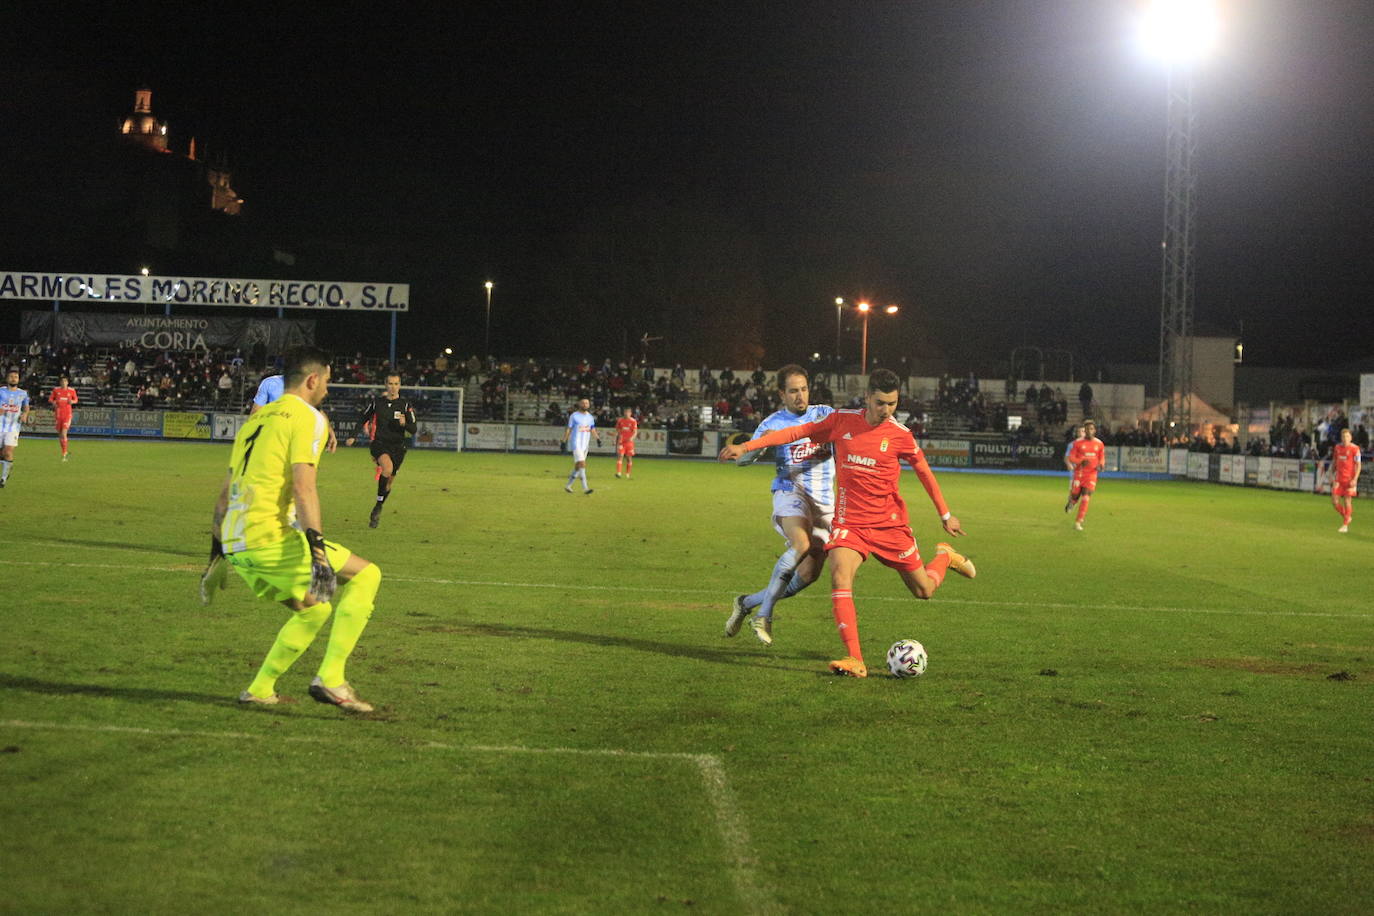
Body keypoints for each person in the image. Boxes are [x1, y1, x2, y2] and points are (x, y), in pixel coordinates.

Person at [719, 369, 975, 677]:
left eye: (893, 404)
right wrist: (747, 446)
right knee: (839, 575)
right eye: (881, 403)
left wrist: (945, 515)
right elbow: (794, 433)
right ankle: (856, 659)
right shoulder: (842, 421)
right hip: (849, 523)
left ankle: (944, 556)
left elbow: (924, 472)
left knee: (923, 591)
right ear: (868, 397)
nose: (887, 411)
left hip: (889, 526)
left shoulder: (899, 435)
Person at [203, 347, 381, 712]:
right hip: (267, 536)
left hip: (238, 544)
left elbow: (225, 492)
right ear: (312, 379)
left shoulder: (256, 420)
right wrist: (317, 550)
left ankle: (259, 689)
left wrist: (216, 554)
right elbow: (304, 487)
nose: (328, 390)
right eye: (328, 382)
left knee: (314, 610)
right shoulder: (309, 417)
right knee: (366, 576)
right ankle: (332, 679)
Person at [723, 364, 834, 646]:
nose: (800, 396)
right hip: (790, 491)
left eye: (804, 389)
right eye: (793, 391)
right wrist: (748, 452)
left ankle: (746, 602)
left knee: (808, 574)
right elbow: (747, 457)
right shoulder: (772, 424)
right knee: (801, 544)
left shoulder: (824, 414)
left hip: (824, 502)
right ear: (781, 394)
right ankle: (765, 614)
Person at [345, 373, 416, 528]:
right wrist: (353, 436)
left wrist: (405, 424)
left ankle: (378, 505)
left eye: (396, 384)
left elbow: (414, 429)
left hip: (398, 447)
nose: (393, 387)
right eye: (390, 383)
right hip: (380, 444)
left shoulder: (405, 405)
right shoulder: (377, 403)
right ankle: (378, 506)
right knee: (387, 468)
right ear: (386, 385)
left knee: (389, 483)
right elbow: (363, 418)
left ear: (400, 385)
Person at [252, 371, 338, 452]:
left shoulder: (270, 383)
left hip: (287, 436)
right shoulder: (270, 383)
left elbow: (255, 412)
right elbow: (256, 411)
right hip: (280, 436)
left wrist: (330, 432)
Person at [1065, 418, 1106, 530]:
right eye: (1087, 429)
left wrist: (1101, 465)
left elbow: (1101, 457)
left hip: (1091, 474)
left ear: (1094, 430)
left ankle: (1078, 521)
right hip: (1079, 473)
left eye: (1091, 429)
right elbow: (1071, 457)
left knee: (1086, 496)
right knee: (1075, 495)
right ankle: (1072, 502)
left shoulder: (1099, 444)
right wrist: (1081, 461)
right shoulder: (1077, 443)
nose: (1089, 431)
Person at [1325, 426, 1361, 533]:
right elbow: (1334, 462)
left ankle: (1345, 525)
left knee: (1347, 500)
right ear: (1341, 438)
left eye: (1347, 436)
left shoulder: (1355, 449)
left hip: (1350, 480)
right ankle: (1347, 516)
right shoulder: (1337, 448)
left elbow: (1358, 465)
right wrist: (1331, 474)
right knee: (1334, 501)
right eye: (1343, 436)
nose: (1345, 438)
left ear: (1351, 438)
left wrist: (1355, 479)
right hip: (1338, 479)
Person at [562, 397, 601, 494]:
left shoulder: (590, 417)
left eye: (587, 403)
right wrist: (563, 441)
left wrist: (597, 439)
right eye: (583, 403)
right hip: (576, 443)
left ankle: (568, 485)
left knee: (577, 466)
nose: (585, 405)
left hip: (585, 445)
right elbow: (569, 429)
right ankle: (585, 488)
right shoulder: (574, 416)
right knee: (582, 464)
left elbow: (592, 429)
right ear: (579, 404)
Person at [0, 369, 32, 487]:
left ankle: (3, 479)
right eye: (11, 376)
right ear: (7, 378)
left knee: (8, 452)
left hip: (13, 427)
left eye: (16, 377)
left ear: (18, 379)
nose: (13, 378)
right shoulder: (1, 391)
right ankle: (5, 467)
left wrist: (25, 414)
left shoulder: (23, 393)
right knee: (2, 454)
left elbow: (26, 407)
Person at [48, 374, 79, 461]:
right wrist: (53, 402)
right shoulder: (56, 390)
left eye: (65, 381)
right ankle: (64, 450)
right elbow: (50, 399)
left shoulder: (71, 391)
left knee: (64, 433)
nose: (63, 383)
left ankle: (64, 453)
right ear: (60, 383)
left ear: (67, 382)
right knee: (60, 434)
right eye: (62, 381)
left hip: (67, 414)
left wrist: (72, 401)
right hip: (58, 414)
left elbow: (76, 400)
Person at [1063, 424, 1085, 505]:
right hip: (1075, 470)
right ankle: (1071, 502)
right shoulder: (1072, 444)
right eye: (1079, 431)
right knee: (1073, 489)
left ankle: (1082, 503)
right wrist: (1069, 464)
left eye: (1083, 431)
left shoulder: (1090, 444)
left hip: (1086, 471)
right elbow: (1066, 457)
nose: (1080, 433)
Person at [614, 406, 638, 478]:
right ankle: (618, 473)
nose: (626, 413)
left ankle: (627, 474)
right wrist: (615, 439)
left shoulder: (633, 421)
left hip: (629, 443)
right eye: (625, 412)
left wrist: (632, 438)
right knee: (620, 456)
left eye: (628, 412)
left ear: (630, 413)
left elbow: (635, 432)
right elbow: (617, 431)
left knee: (628, 458)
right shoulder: (620, 421)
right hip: (621, 442)